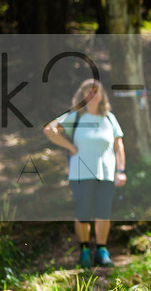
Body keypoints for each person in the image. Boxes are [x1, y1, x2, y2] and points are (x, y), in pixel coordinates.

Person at [43, 79, 126, 269]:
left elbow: (118, 146)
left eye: (96, 92)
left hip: (105, 173)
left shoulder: (110, 119)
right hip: (80, 174)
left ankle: (102, 251)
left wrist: (120, 171)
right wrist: (69, 146)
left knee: (103, 213)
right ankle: (85, 252)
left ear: (103, 95)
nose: (93, 95)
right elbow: (49, 129)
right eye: (89, 92)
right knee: (83, 214)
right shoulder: (76, 117)